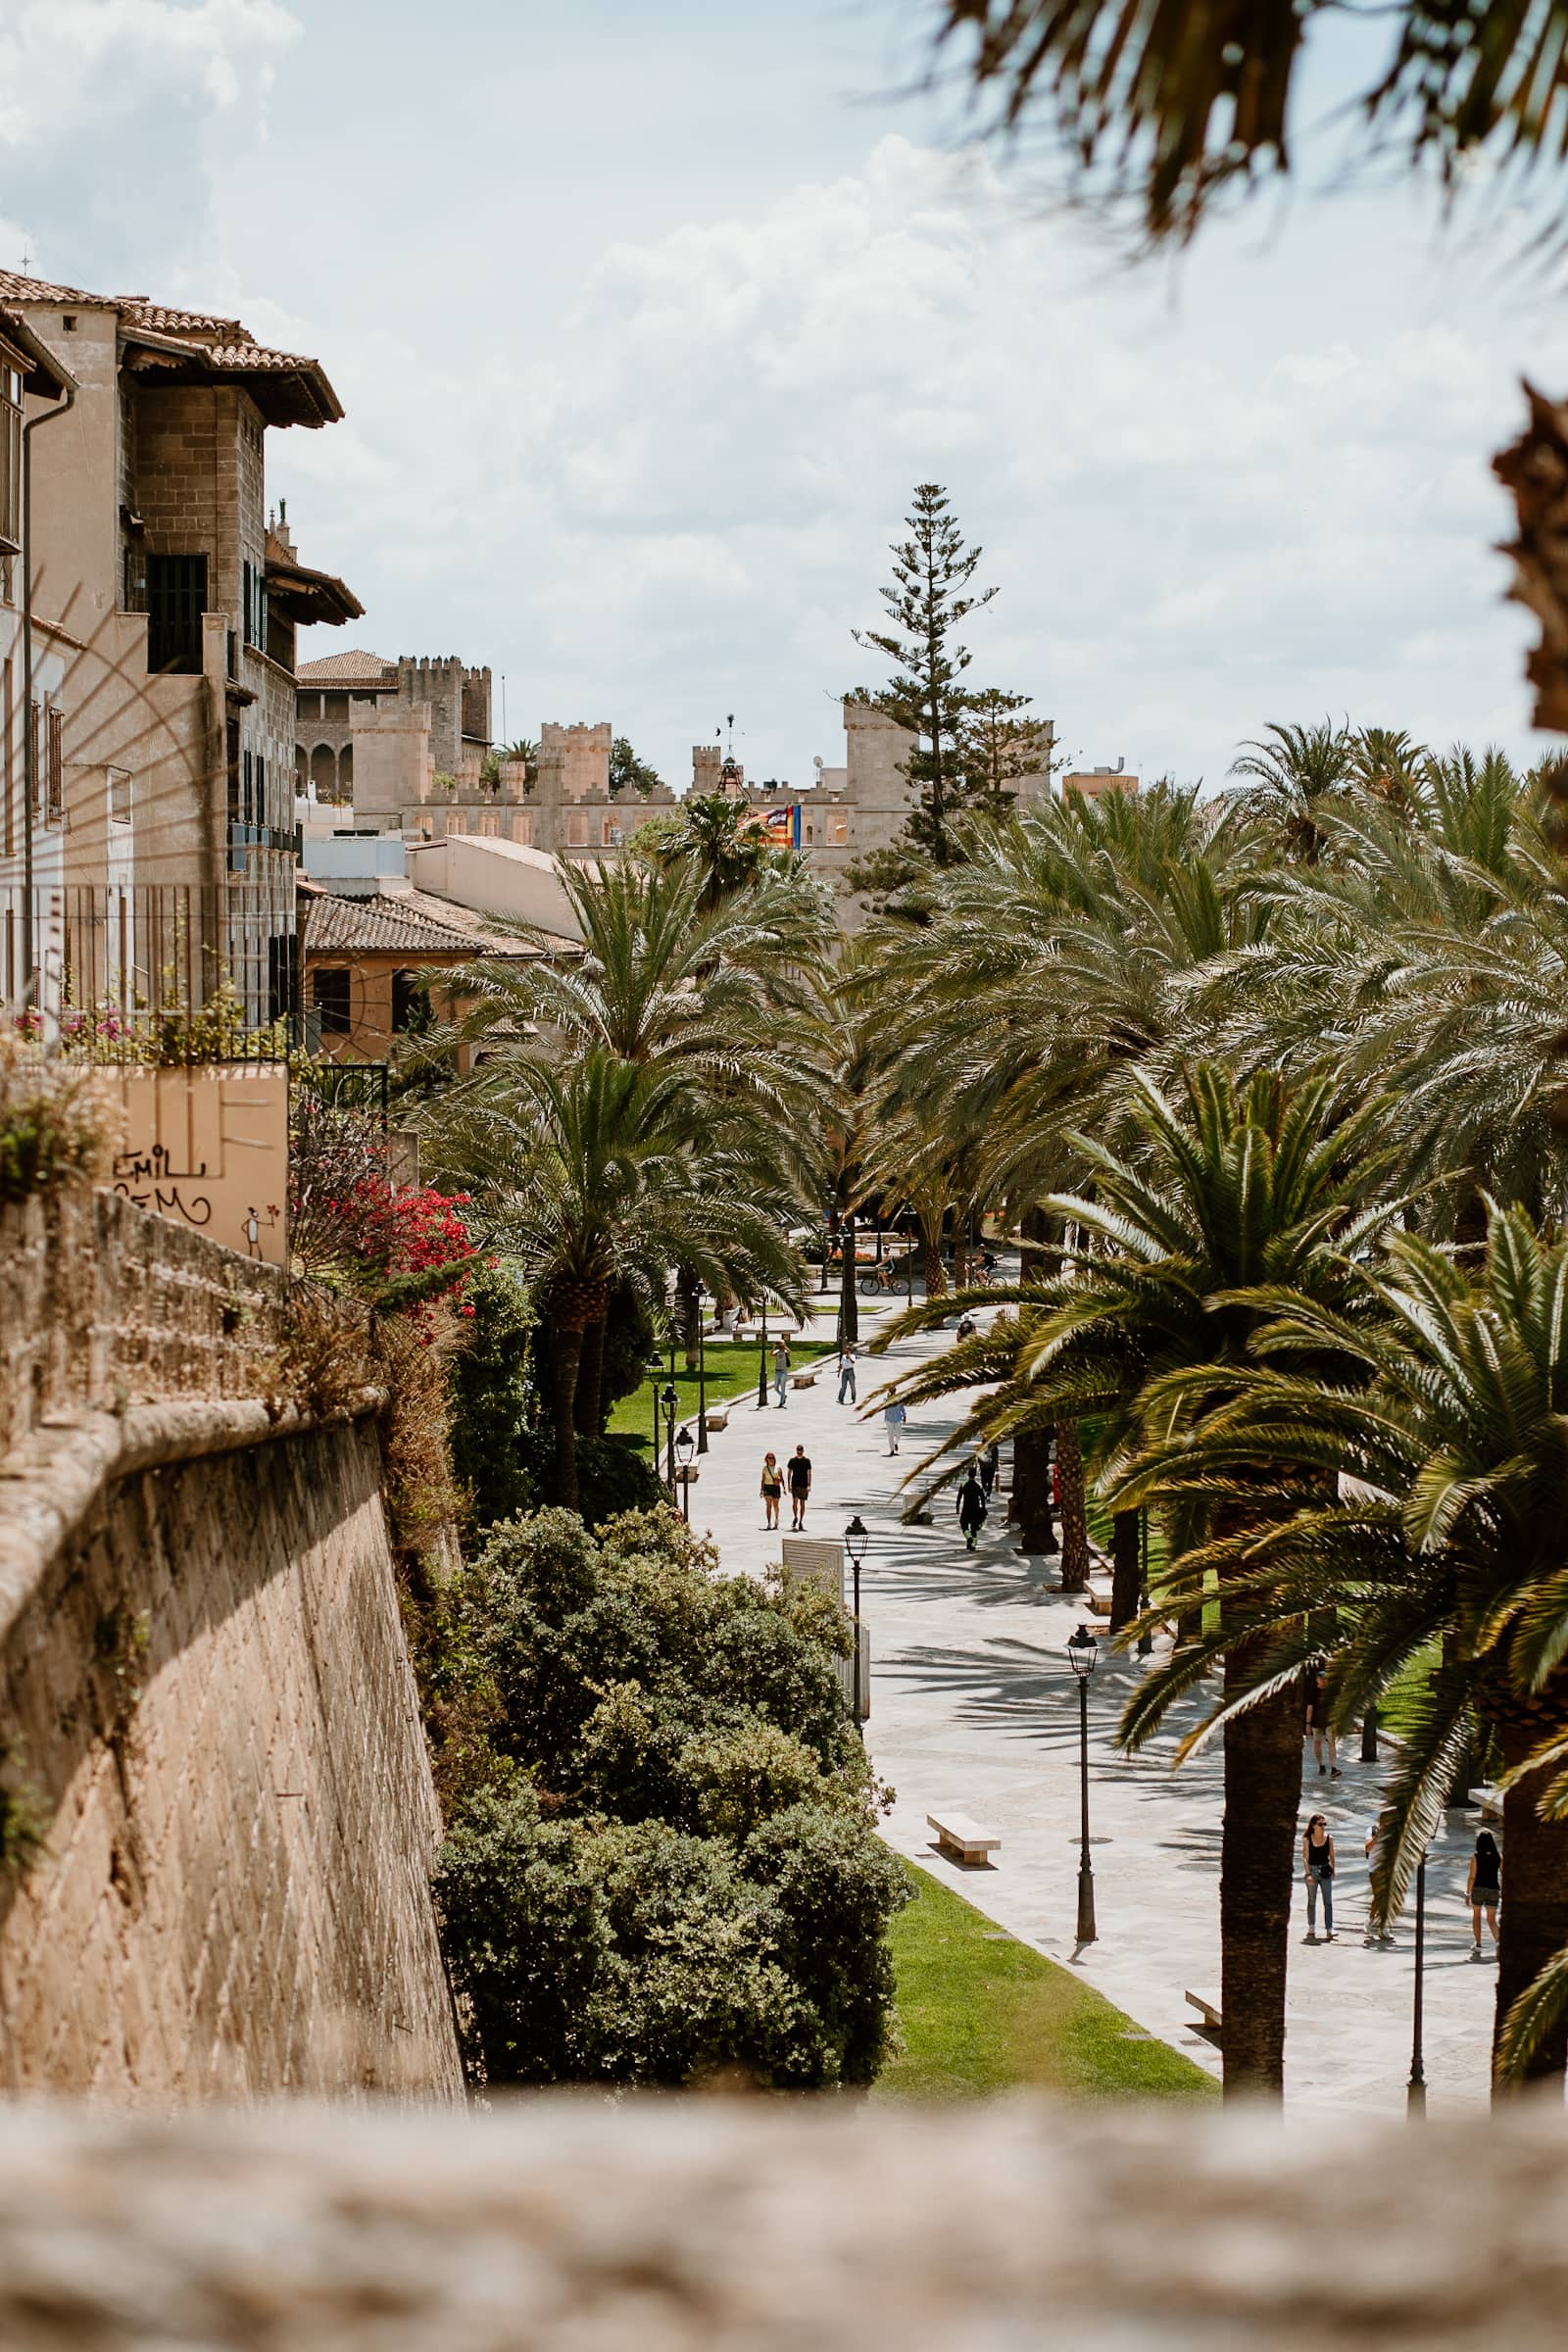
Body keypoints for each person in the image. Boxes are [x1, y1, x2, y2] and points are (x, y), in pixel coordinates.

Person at [1467, 1830, 1502, 1959]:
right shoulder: (1498, 1857)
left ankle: (1478, 1944)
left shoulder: (1476, 1857)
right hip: (1493, 1890)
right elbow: (1504, 1874)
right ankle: (1499, 1942)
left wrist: (1467, 1893)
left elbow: (1472, 1877)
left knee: (1476, 1917)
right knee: (1491, 1920)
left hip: (1478, 1889)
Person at [1302, 1813, 1336, 1943]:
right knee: (1312, 1900)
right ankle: (1311, 1926)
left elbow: (1332, 1855)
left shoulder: (1329, 1838)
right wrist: (1308, 1874)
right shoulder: (1307, 1839)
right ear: (1313, 1825)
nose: (1323, 1827)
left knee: (1328, 1900)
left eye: (1324, 1824)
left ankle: (1329, 1928)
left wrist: (1334, 1869)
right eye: (1320, 1824)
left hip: (1325, 1871)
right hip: (1312, 1871)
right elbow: (1305, 1857)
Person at [1303, 1665, 1340, 1777]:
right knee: (1317, 1742)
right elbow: (1310, 1708)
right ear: (1317, 1680)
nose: (1324, 1681)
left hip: (1329, 1721)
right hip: (1316, 1721)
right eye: (1321, 1678)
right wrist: (1308, 1724)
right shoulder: (1313, 1691)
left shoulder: (1331, 1691)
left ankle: (1334, 1768)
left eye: (1325, 1678)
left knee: (1331, 1743)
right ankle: (1321, 1765)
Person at [956, 1464, 987, 1551]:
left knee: (964, 1525)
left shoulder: (963, 1484)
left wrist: (957, 1508)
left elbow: (959, 1497)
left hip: (966, 1509)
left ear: (968, 1474)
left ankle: (968, 1537)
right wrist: (983, 1508)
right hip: (976, 1509)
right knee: (974, 1528)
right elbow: (982, 1498)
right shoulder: (979, 1485)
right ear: (975, 1475)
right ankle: (973, 1545)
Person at [787, 1443, 812, 1530]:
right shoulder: (792, 1461)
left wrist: (809, 1485)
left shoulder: (807, 1461)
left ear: (803, 1451)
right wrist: (788, 1485)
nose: (799, 1452)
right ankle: (795, 1517)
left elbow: (809, 1473)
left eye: (801, 1451)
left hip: (804, 1485)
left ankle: (801, 1521)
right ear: (796, 1451)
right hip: (795, 1484)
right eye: (798, 1451)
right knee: (794, 1502)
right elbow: (789, 1473)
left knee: (802, 1504)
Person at [760, 1450, 784, 1531]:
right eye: (769, 1458)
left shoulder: (778, 1467)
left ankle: (776, 1519)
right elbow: (763, 1480)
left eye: (772, 1457)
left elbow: (782, 1479)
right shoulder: (765, 1469)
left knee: (775, 1506)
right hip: (767, 1487)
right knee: (768, 1505)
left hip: (776, 1487)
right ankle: (769, 1522)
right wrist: (761, 1490)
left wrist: (783, 1487)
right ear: (766, 1459)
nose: (771, 1459)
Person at [772, 1338, 790, 1409]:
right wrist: (773, 1347)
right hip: (777, 1371)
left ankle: (781, 1402)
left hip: (783, 1371)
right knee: (776, 1388)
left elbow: (789, 1352)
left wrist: (784, 1345)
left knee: (783, 1387)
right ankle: (783, 1396)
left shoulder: (785, 1351)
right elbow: (771, 1354)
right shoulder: (777, 1351)